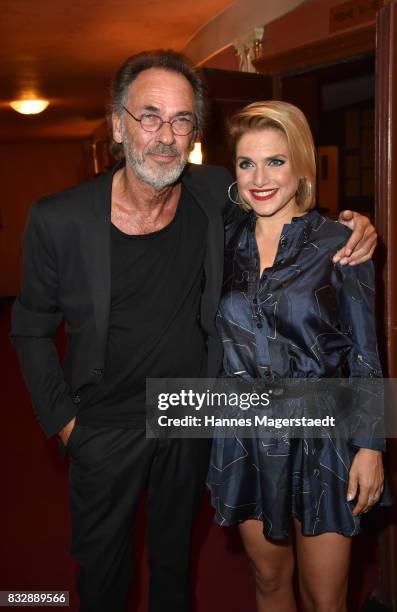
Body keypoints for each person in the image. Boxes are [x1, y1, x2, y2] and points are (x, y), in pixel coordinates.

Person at [11, 49, 376, 612]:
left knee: (175, 567)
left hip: (194, 415)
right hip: (105, 423)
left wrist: (357, 224)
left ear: (193, 134)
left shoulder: (211, 195)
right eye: (149, 116)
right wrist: (65, 424)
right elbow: (30, 330)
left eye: (181, 120)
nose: (165, 135)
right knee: (104, 578)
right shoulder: (59, 218)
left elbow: (288, 206)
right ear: (117, 125)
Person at [206, 100, 389, 612]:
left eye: (276, 161)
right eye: (247, 163)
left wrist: (371, 447)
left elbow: (364, 352)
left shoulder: (341, 242)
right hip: (244, 431)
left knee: (325, 599)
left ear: (302, 165)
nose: (260, 178)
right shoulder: (219, 243)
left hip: (323, 435)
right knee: (268, 581)